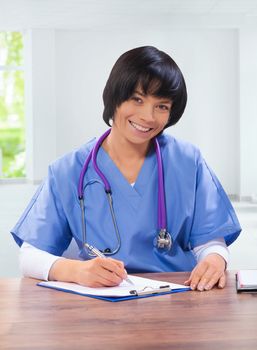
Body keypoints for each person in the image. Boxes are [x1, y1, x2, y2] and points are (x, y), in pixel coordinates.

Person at [11, 46, 241, 291]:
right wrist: (75, 270)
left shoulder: (187, 161)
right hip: (99, 300)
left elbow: (209, 242)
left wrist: (216, 258)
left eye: (161, 106)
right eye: (137, 99)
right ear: (115, 97)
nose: (148, 116)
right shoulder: (68, 171)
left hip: (176, 299)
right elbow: (29, 256)